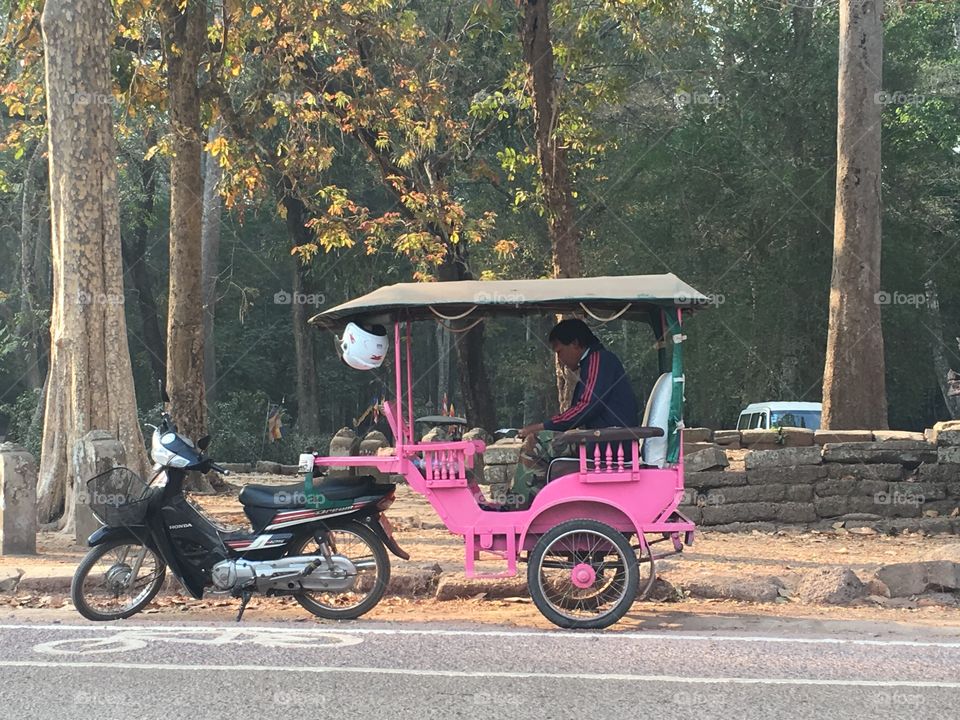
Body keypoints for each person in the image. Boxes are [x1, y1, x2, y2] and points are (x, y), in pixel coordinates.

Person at [509, 319, 639, 508]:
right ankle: (534, 500)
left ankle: (517, 505)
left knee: (536, 442)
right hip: (603, 441)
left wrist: (541, 427)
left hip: (609, 445)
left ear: (576, 344)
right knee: (546, 441)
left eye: (560, 351)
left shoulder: (598, 360)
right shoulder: (594, 363)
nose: (560, 359)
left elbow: (587, 406)